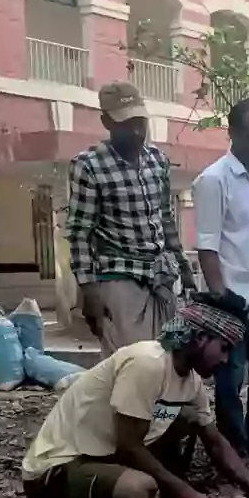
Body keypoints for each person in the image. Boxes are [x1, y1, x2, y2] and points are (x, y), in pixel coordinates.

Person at [20, 292, 249, 498]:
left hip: (99, 457)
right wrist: (188, 493)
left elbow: (216, 443)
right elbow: (129, 446)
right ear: (200, 338)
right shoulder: (147, 363)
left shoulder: (191, 383)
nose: (225, 359)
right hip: (53, 471)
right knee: (137, 489)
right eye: (224, 348)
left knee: (189, 420)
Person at [67, 81, 196, 356]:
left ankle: (164, 402)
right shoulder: (88, 165)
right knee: (132, 365)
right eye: (127, 124)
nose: (137, 132)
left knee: (169, 361)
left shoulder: (157, 160)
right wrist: (89, 293)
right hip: (119, 278)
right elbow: (80, 233)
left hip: (160, 276)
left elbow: (165, 217)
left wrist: (184, 268)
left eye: (141, 122)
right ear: (107, 122)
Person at [192, 99, 249, 468]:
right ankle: (233, 455)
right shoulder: (213, 180)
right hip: (232, 302)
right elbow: (207, 247)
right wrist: (220, 300)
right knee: (231, 384)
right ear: (231, 133)